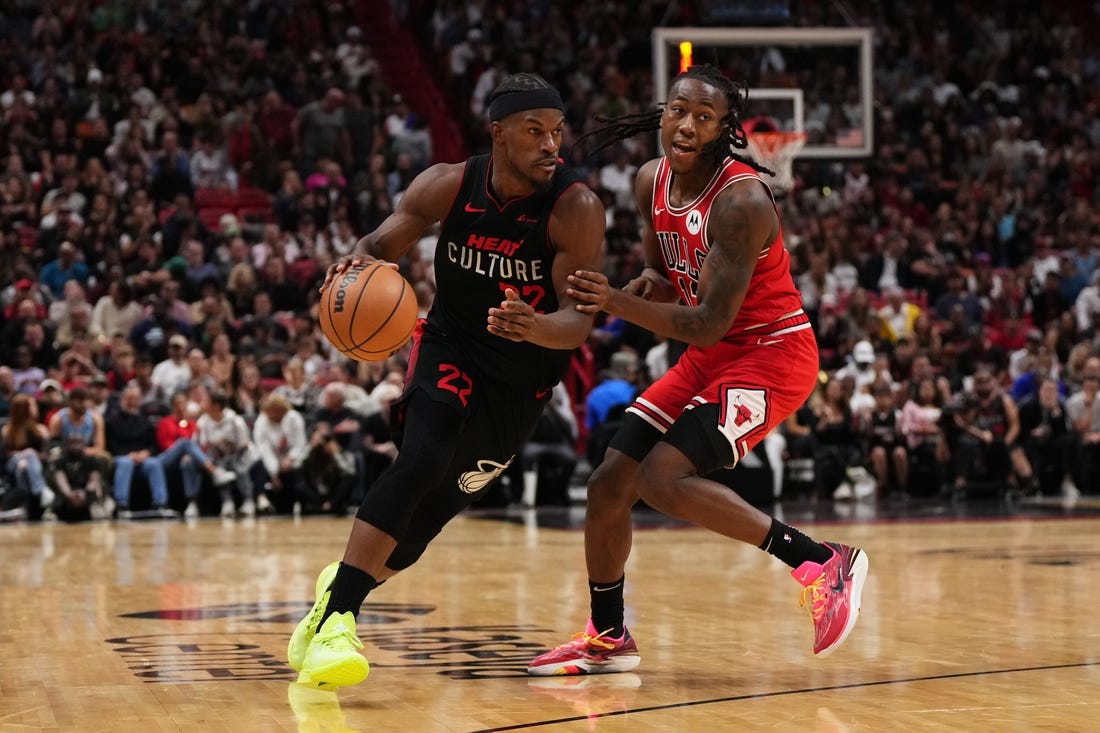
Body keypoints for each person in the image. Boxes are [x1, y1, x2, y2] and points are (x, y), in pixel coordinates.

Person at [526, 65, 868, 677]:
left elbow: (707, 319)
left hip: (771, 352)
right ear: (664, 111)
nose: (687, 125)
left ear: (721, 130)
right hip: (712, 352)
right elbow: (666, 278)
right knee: (608, 483)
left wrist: (613, 302)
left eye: (703, 118)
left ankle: (821, 561)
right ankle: (608, 635)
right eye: (679, 110)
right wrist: (632, 290)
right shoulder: (648, 181)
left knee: (661, 479)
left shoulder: (741, 201)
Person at [288, 73, 605, 688]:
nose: (550, 145)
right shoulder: (447, 184)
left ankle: (334, 595)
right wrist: (349, 277)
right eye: (534, 131)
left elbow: (577, 324)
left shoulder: (575, 207)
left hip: (521, 379)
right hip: (450, 345)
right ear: (498, 134)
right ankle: (338, 626)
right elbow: (377, 245)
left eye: (556, 132)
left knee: (419, 529)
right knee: (423, 456)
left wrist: (534, 326)